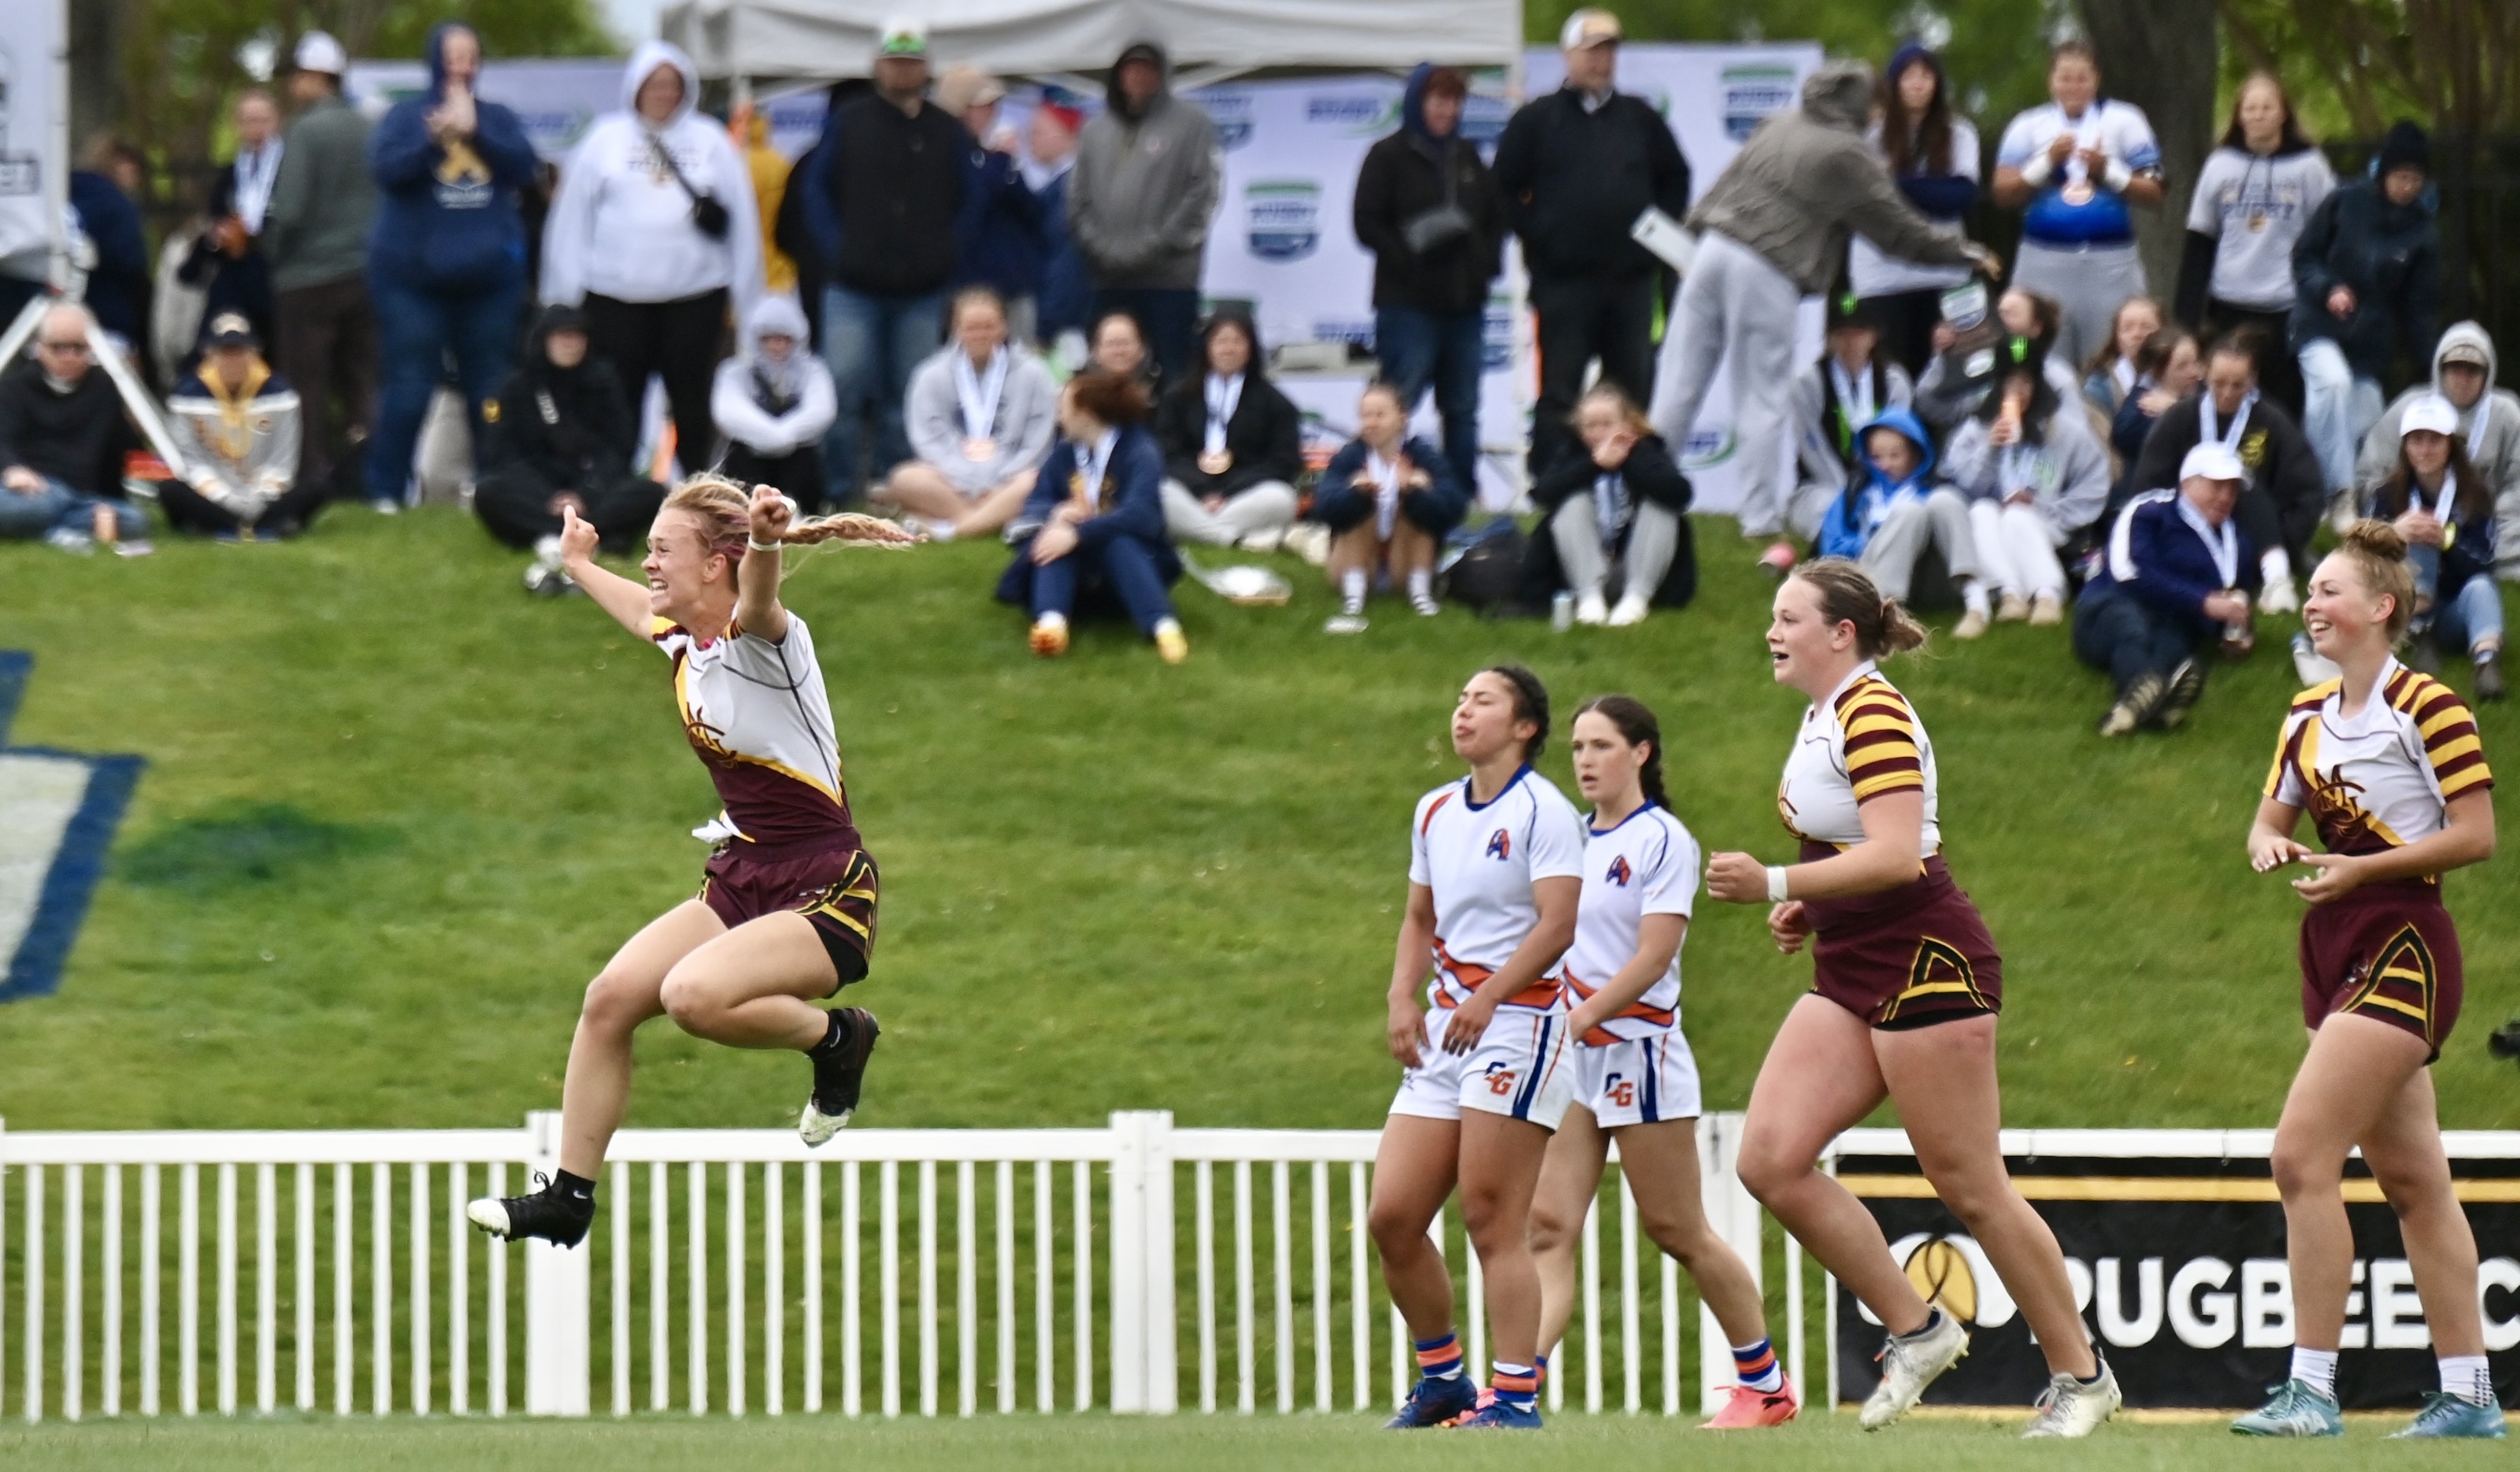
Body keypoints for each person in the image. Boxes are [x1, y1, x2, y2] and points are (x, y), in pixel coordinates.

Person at [1703, 558, 2121, 1439]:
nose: (1771, 632)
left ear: (1839, 634)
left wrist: (1774, 877)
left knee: (1969, 1185)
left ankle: (2080, 1378)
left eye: (1788, 618)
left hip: (1926, 959)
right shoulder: (1825, 712)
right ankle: (1919, 1329)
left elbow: (1899, 854)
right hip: (1856, 956)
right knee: (1768, 1159)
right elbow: (1853, 843)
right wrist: (1808, 902)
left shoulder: (1873, 708)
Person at [465, 476, 917, 1249]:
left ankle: (837, 1039)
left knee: (691, 995)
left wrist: (768, 542)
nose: (648, 564)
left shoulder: (765, 641)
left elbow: (761, 601)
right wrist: (578, 564)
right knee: (609, 999)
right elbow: (642, 612)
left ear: (715, 565)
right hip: (743, 874)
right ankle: (569, 1199)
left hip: (823, 886)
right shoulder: (686, 641)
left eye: (661, 551)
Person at [2233, 519, 2503, 1440]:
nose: (2310, 605)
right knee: (2414, 1180)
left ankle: (2309, 1392)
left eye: (2327, 592)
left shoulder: (2428, 705)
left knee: (2297, 1156)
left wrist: (2360, 870)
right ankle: (2468, 1398)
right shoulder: (2303, 716)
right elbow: (2266, 823)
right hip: (2331, 941)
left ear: (2380, 608)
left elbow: (2475, 836)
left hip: (2403, 941)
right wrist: (2272, 844)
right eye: (2308, 592)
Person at [1526, 695, 1793, 1429]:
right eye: (1577, 746)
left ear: (1640, 752)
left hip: (1639, 1053)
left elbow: (1654, 954)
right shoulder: (1570, 840)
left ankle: (1766, 1384)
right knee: (1548, 1224)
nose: (1583, 760)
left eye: (1601, 745)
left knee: (1676, 1228)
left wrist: (1579, 1015)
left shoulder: (1662, 839)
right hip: (1577, 1057)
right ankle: (1514, 1393)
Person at [1649, 60, 1998, 543]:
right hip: (1767, 267)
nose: (1880, 114)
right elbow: (1898, 232)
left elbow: (1720, 187)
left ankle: (1642, 499)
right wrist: (1962, 252)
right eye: (1875, 105)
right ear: (1859, 106)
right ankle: (1759, 521)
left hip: (1711, 250)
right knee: (1762, 397)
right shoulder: (1847, 153)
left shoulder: (1779, 124)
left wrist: (1691, 237)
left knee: (1678, 384)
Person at [1372, 666, 1583, 1431]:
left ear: (1523, 727)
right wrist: (1401, 998)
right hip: (1445, 1033)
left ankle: (1515, 1399)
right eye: (1459, 698)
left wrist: (1487, 997)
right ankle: (1443, 1381)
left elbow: (1557, 925)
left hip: (1518, 1027)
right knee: (1392, 1216)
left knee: (1491, 1217)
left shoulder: (1544, 811)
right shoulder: (1434, 809)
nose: (1462, 711)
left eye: (1482, 700)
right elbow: (1418, 917)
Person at [542, 42, 762, 477]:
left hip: (695, 297)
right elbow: (571, 224)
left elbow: (743, 226)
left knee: (693, 402)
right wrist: (560, 299)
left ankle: (699, 494)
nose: (663, 94)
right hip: (615, 299)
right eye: (654, 85)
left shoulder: (712, 142)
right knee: (619, 401)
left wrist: (751, 302)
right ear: (636, 88)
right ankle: (616, 492)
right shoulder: (604, 139)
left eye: (672, 86)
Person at [1494, 10, 1692, 478]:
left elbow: (1676, 176)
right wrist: (1541, 235)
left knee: (1632, 388)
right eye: (1592, 51)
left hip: (1631, 284)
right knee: (1560, 390)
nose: (1602, 61)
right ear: (1569, 56)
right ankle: (1551, 483)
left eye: (1609, 51)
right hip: (1565, 285)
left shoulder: (1640, 118)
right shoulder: (1536, 120)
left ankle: (1634, 481)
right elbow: (1502, 187)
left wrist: (1654, 233)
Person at [365, 23, 537, 514]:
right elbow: (386, 172)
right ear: (435, 59)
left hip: (489, 283)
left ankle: (493, 487)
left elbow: (524, 168)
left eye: (471, 55)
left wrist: (476, 133)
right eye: (453, 54)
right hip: (411, 279)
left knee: (490, 388)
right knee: (409, 385)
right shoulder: (405, 116)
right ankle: (386, 491)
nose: (462, 65)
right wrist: (433, 141)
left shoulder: (497, 118)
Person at [806, 21, 968, 508]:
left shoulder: (946, 129)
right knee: (844, 393)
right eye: (895, 61)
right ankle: (837, 493)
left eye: (913, 61)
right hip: (853, 288)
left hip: (922, 290)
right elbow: (815, 190)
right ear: (878, 65)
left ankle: (896, 491)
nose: (903, 70)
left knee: (911, 398)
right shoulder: (849, 120)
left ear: (926, 68)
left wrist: (947, 250)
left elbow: (970, 200)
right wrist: (839, 249)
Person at [1354, 65, 1508, 497]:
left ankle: (1458, 494)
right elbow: (1366, 222)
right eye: (1438, 99)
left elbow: (1495, 219)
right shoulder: (1387, 156)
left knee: (1462, 409)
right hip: (1408, 306)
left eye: (1455, 101)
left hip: (1464, 306)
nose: (1447, 109)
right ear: (1418, 102)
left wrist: (1485, 265)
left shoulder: (1469, 157)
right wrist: (1410, 256)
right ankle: (1378, 486)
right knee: (1396, 402)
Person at [2292, 121, 2441, 510]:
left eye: (2414, 178)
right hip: (2318, 326)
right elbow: (2305, 257)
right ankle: (2335, 495)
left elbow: (2419, 308)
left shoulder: (2423, 233)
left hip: (2371, 343)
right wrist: (2329, 289)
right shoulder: (2345, 201)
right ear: (2384, 172)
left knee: (2367, 418)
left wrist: (2432, 365)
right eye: (2399, 176)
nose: (2406, 185)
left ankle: (2363, 501)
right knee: (2332, 385)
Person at [1990, 42, 2164, 370]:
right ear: (2051, 81)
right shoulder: (2028, 125)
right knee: (2037, 363)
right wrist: (2046, 163)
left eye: (2082, 78)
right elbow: (2003, 193)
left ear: (2097, 79)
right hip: (2043, 263)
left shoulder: (2125, 120)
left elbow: (2154, 192)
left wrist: (2108, 172)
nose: (2073, 87)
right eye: (2065, 78)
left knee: (2112, 363)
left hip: (2110, 265)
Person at [995, 370, 1188, 663]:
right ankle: (1051, 626)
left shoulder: (1140, 451)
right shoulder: (1065, 452)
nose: (1059, 418)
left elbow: (1143, 515)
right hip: (1078, 579)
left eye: (1064, 409)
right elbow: (1036, 503)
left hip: (1132, 571)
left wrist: (1081, 533)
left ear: (1086, 413)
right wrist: (1057, 513)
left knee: (1117, 540)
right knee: (1054, 537)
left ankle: (1163, 627)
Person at [2174, 72, 2332, 423]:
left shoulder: (2310, 166)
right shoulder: (2219, 165)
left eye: (2267, 107)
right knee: (2228, 398)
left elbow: (2329, 237)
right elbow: (2199, 241)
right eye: (2251, 107)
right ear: (2239, 115)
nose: (2258, 114)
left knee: (2282, 406)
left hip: (2286, 306)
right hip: (2229, 304)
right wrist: (2185, 321)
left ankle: (2278, 474)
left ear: (2283, 114)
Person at [2129, 332, 2325, 613]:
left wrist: (2287, 540)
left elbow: (2308, 491)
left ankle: (2276, 576)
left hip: (2251, 539)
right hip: (2184, 533)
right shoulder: (2180, 419)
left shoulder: (2272, 421)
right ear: (2204, 374)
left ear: (2253, 380)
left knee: (2240, 482)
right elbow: (2147, 488)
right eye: (2219, 383)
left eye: (2238, 385)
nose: (2227, 393)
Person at [263, 32, 378, 502]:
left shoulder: (303, 130)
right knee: (363, 382)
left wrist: (270, 252)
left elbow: (288, 208)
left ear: (315, 78)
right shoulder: (369, 126)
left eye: (295, 76)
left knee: (305, 385)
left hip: (307, 278)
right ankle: (370, 476)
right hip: (366, 273)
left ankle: (312, 478)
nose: (290, 86)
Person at [2075, 443, 2259, 736]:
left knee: (2174, 644)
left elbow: (2236, 596)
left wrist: (2240, 631)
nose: (2227, 496)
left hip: (2177, 623)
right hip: (2110, 605)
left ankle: (2132, 711)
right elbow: (2129, 571)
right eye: (2218, 485)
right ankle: (2154, 694)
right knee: (2128, 627)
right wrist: (2201, 601)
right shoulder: (2150, 511)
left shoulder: (2237, 541)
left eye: (2233, 489)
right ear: (2188, 482)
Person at [1068, 41, 1221, 384]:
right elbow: (1077, 202)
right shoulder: (1095, 130)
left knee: (1175, 374)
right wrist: (1103, 249)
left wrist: (1153, 247)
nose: (1138, 77)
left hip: (1169, 279)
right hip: (1107, 277)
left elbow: (1203, 194)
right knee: (1103, 375)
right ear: (1118, 76)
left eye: (1148, 69)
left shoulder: (1192, 124)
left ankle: (1171, 439)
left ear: (1163, 75)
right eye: (1131, 69)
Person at [472, 306, 661, 554]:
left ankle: (562, 534)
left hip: (593, 487)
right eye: (562, 336)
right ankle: (585, 535)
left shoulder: (605, 383)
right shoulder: (516, 388)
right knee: (489, 493)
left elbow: (619, 449)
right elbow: (503, 454)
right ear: (544, 340)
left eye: (577, 336)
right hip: (537, 490)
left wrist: (585, 495)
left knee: (651, 493)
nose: (570, 344)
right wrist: (550, 498)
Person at [1942, 356, 2113, 625]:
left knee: (2018, 515)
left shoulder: (2065, 429)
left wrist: (2041, 505)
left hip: (2049, 521)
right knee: (1982, 511)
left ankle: (2048, 595)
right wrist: (1989, 448)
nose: (2017, 391)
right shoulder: (1976, 428)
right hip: (1992, 520)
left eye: (2025, 382)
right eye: (2009, 382)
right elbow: (1962, 484)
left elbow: (2094, 484)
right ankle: (2010, 594)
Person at [1849, 44, 1982, 376]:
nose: (1918, 84)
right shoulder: (1870, 137)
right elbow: (1867, 202)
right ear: (1894, 84)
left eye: (1926, 75)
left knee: (1946, 379)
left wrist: (1897, 182)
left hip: (1942, 272)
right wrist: (1927, 187)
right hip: (1881, 275)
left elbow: (1959, 197)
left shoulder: (1959, 133)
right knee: (1889, 376)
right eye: (1909, 76)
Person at [886, 287, 1059, 540]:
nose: (980, 335)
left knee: (1034, 481)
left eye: (989, 326)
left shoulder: (1034, 373)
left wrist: (1000, 479)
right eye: (971, 327)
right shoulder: (930, 375)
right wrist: (967, 480)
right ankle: (994, 519)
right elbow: (927, 438)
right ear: (955, 329)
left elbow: (1038, 440)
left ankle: (952, 529)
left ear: (1004, 328)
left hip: (1011, 476)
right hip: (951, 479)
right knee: (904, 479)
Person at [2366, 396, 2503, 695]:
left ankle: (2486, 662)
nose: (2425, 450)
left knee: (2481, 587)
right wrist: (2395, 533)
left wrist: (2447, 541)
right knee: (2418, 533)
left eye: (2435, 440)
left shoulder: (2475, 494)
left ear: (2451, 444)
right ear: (2405, 446)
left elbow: (2485, 563)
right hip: (2398, 613)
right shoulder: (2386, 494)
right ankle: (2419, 631)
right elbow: (2359, 559)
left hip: (2455, 610)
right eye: (2417, 440)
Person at [1527, 385, 1695, 626]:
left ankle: (1636, 599)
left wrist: (1627, 461)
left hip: (1640, 567)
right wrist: (1594, 465)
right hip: (1579, 570)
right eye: (1591, 426)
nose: (1598, 433)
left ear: (1627, 424)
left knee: (1660, 506)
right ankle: (1589, 599)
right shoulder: (1572, 453)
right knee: (1571, 503)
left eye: (1607, 424)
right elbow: (1542, 494)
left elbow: (1680, 493)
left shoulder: (1647, 450)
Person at [2356, 323, 2520, 562]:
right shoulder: (2410, 406)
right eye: (2454, 368)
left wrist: (2496, 520)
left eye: (2472, 370)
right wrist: (2399, 520)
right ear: (2439, 369)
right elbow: (2370, 473)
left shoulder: (2507, 413)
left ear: (2488, 372)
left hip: (2483, 519)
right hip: (2411, 517)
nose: (2463, 379)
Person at [1315, 381, 1469, 632]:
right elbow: (1324, 507)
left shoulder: (1423, 455)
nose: (1371, 423)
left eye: (1380, 415)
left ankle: (1420, 595)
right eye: (1366, 416)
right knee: (1363, 505)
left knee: (1416, 499)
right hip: (1355, 562)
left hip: (1404, 560)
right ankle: (1353, 599)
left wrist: (1414, 491)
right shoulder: (1350, 456)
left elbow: (1454, 508)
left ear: (1402, 418)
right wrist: (1356, 494)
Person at [1814, 407, 1984, 633]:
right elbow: (1832, 548)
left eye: (1895, 456)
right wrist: (1873, 538)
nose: (1884, 464)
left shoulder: (1934, 489)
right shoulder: (1857, 492)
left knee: (1945, 500)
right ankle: (1883, 613)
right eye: (1876, 457)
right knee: (1909, 512)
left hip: (1930, 579)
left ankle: (1976, 602)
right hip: (1866, 578)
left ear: (1916, 454)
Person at [158, 312, 321, 539]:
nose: (233, 361)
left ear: (255, 353)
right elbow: (190, 460)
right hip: (213, 496)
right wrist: (224, 497)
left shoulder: (280, 394)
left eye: (240, 352)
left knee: (318, 486)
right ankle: (258, 526)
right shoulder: (187, 396)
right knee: (170, 491)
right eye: (225, 353)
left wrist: (260, 497)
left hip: (264, 496)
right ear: (209, 355)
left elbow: (283, 460)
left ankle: (235, 526)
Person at [0, 304, 151, 548]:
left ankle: (56, 532)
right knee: (29, 508)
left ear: (90, 348)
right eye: (58, 347)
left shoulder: (104, 388)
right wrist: (13, 470)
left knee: (134, 521)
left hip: (80, 499)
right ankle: (63, 531)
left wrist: (108, 502)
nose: (69, 356)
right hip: (29, 492)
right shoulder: (12, 388)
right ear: (40, 348)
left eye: (78, 348)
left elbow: (116, 455)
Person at [1154, 310, 1303, 551]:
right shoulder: (1178, 397)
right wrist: (1202, 490)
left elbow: (1283, 462)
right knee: (1158, 493)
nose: (1229, 349)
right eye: (1221, 341)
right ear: (1207, 347)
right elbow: (1167, 454)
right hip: (1189, 492)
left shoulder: (1275, 403)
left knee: (1282, 499)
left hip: (1244, 495)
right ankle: (1233, 539)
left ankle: (1198, 530)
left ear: (1251, 348)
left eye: (1237, 341)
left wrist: (1227, 493)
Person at [1784, 292, 1916, 565]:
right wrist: (1849, 495)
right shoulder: (1809, 382)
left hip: (1883, 484)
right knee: (1828, 511)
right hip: (1821, 486)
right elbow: (1811, 446)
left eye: (1859, 333)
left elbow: (1899, 441)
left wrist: (1877, 489)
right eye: (1841, 334)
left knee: (1902, 514)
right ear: (1829, 338)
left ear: (1874, 336)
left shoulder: (1894, 381)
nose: (1850, 342)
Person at [939, 68, 1046, 344]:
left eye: (993, 106)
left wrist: (1005, 166)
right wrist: (999, 165)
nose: (993, 112)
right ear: (961, 110)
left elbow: (1034, 211)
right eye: (983, 106)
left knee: (1020, 364)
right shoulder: (945, 157)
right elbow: (974, 202)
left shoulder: (993, 157)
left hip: (1014, 283)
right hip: (969, 291)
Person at [713, 294, 837, 515]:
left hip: (796, 451)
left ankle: (801, 510)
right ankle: (744, 511)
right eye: (769, 339)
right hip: (751, 453)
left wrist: (787, 434)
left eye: (783, 339)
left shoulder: (813, 370)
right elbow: (728, 413)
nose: (776, 346)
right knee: (740, 455)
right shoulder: (735, 372)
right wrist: (770, 436)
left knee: (805, 455)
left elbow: (822, 410)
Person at [181, 90, 284, 350]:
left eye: (263, 120)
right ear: (237, 125)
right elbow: (216, 217)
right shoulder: (231, 173)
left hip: (276, 272)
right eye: (249, 120)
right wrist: (217, 238)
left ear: (276, 121)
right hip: (235, 269)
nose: (257, 128)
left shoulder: (288, 168)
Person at [1913, 287, 2078, 436]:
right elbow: (1926, 403)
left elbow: (2073, 431)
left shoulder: (2057, 376)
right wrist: (1944, 356)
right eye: (1998, 313)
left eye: (2011, 314)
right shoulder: (1972, 371)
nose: (2001, 321)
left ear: (2036, 328)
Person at [68, 135, 153, 354]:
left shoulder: (64, 196)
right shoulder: (117, 206)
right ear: (125, 165)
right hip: (110, 319)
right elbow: (133, 263)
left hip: (58, 315)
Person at [1022, 100, 1091, 362]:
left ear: (1067, 135)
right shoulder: (1054, 187)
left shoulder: (1070, 192)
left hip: (1064, 324)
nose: (1030, 139)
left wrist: (1048, 323)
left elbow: (1066, 265)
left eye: (1038, 132)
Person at [2110, 325, 2201, 471]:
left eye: (2196, 362)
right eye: (2182, 366)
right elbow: (2123, 436)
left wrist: (2175, 409)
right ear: (2157, 372)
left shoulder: (2202, 394)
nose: (2195, 372)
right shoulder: (2141, 408)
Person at [2081, 295, 2162, 422]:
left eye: (2146, 327)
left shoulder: (2178, 375)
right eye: (2127, 328)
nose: (2137, 334)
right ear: (2117, 338)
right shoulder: (2098, 388)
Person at [1085, 308, 1159, 396]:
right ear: (1096, 351)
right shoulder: (1080, 394)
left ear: (1142, 349)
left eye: (1125, 343)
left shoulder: (1161, 389)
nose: (1119, 352)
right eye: (1110, 344)